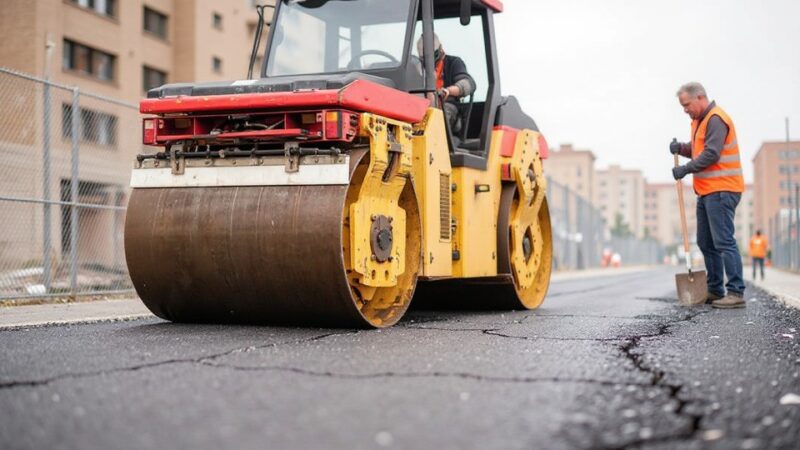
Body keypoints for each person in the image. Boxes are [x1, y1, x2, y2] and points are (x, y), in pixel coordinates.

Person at [670, 82, 745, 309]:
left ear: (700, 97)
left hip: (722, 190)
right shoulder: (699, 121)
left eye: (686, 105)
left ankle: (735, 292)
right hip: (707, 191)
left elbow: (711, 154)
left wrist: (685, 168)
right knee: (705, 242)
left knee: (723, 241)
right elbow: (699, 148)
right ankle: (715, 289)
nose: (685, 110)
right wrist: (681, 148)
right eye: (682, 106)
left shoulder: (715, 119)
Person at [416, 34, 476, 136]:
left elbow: (468, 84)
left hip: (447, 107)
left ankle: (436, 142)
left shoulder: (454, 63)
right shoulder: (418, 69)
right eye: (424, 58)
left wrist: (447, 91)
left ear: (440, 48)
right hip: (423, 107)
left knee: (439, 117)